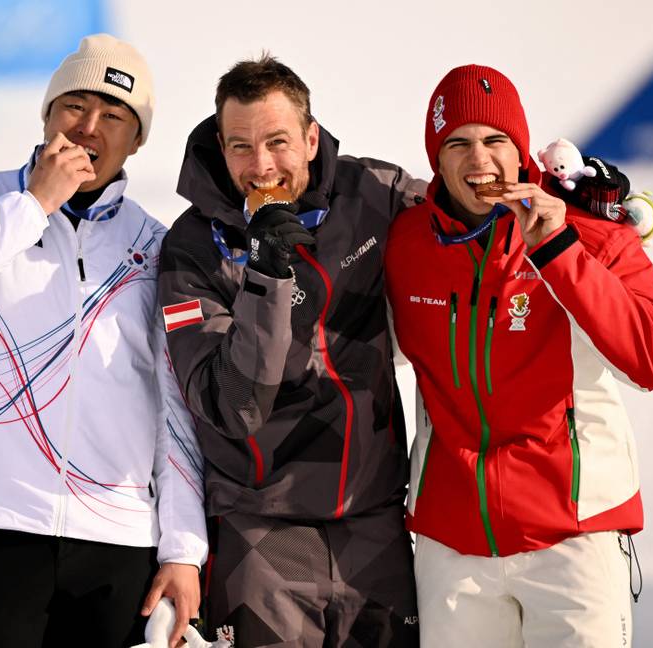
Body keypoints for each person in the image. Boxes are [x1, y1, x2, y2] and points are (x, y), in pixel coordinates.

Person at [0, 34, 206, 648]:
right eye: (74, 106)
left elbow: (176, 410)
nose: (90, 127)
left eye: (114, 115)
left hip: (120, 543)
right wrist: (34, 203)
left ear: (137, 140)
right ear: (46, 113)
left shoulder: (158, 247)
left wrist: (184, 550)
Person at [385, 64, 653, 647]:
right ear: (435, 160)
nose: (479, 161)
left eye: (495, 141)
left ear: (521, 152)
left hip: (572, 537)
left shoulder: (591, 234)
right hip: (453, 543)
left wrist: (557, 251)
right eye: (458, 144)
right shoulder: (407, 243)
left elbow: (652, 359)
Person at [157, 55, 424, 647]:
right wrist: (266, 276)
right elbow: (232, 407)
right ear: (220, 149)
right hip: (260, 534)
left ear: (309, 138)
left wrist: (597, 216)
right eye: (241, 147)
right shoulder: (193, 248)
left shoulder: (374, 194)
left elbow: (470, 218)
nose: (262, 166)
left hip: (374, 523)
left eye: (278, 142)